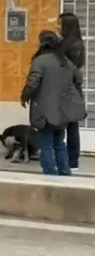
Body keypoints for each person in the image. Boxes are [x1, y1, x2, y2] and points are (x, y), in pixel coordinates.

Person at [21, 30, 85, 176]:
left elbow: (32, 83)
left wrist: (24, 96)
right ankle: (64, 171)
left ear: (41, 43)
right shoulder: (65, 61)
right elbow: (78, 79)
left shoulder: (39, 61)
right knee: (60, 143)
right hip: (62, 111)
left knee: (46, 145)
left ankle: (50, 173)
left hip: (45, 111)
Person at [58, 12, 85, 171]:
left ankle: (67, 159)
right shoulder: (78, 43)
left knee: (62, 124)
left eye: (60, 24)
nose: (58, 27)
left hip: (66, 88)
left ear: (67, 26)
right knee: (72, 125)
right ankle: (72, 160)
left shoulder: (68, 44)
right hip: (74, 88)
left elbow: (62, 65)